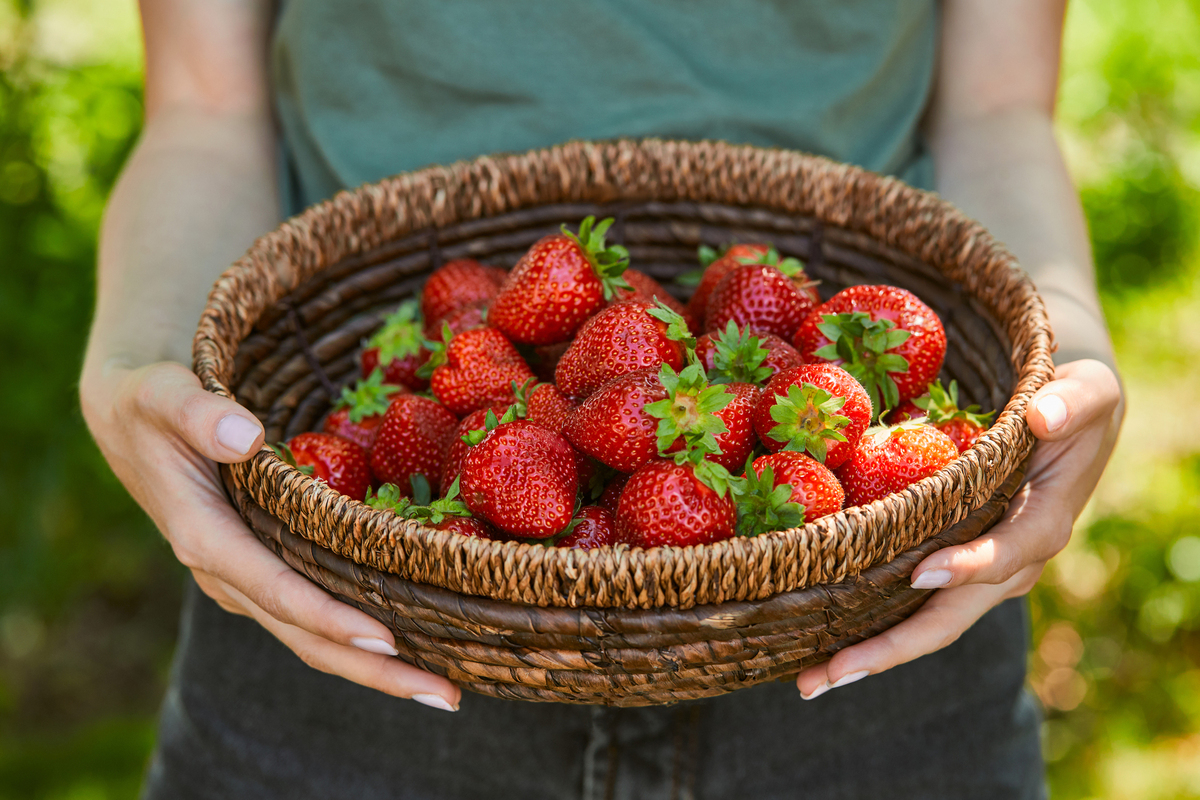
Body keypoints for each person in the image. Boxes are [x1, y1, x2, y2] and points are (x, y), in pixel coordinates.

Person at [80, 1, 1123, 797]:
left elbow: (998, 107)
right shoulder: (515, 408)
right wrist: (141, 348)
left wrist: (1061, 350)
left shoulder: (715, 399)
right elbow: (206, 106)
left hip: (884, 612)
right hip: (347, 622)